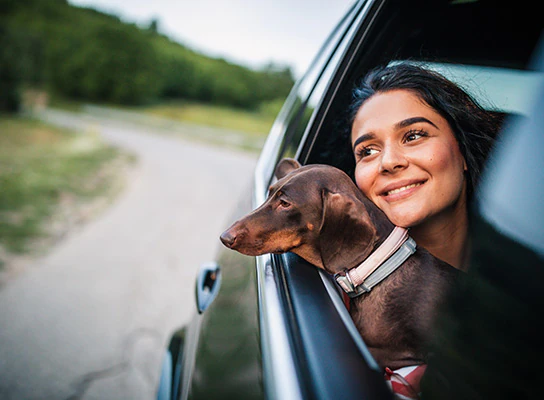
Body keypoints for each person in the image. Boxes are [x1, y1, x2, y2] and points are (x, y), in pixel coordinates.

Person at [347, 63, 502, 271]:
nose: (389, 162)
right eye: (368, 151)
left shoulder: (527, 270)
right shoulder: (343, 288)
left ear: (463, 149)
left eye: (413, 136)